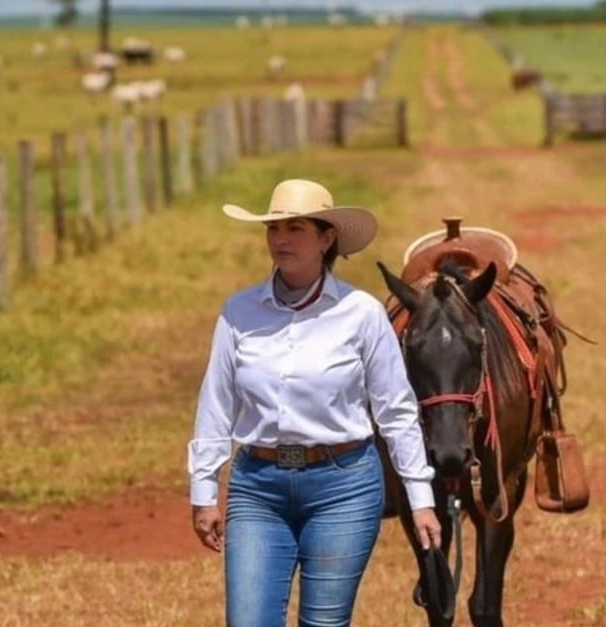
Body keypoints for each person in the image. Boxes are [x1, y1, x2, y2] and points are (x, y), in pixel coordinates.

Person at [188, 178, 441, 627]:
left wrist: (420, 497)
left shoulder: (361, 314)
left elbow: (396, 410)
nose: (280, 239)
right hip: (257, 487)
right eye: (273, 229)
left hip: (343, 488)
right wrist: (204, 491)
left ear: (327, 239)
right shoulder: (238, 312)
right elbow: (216, 404)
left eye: (295, 228)